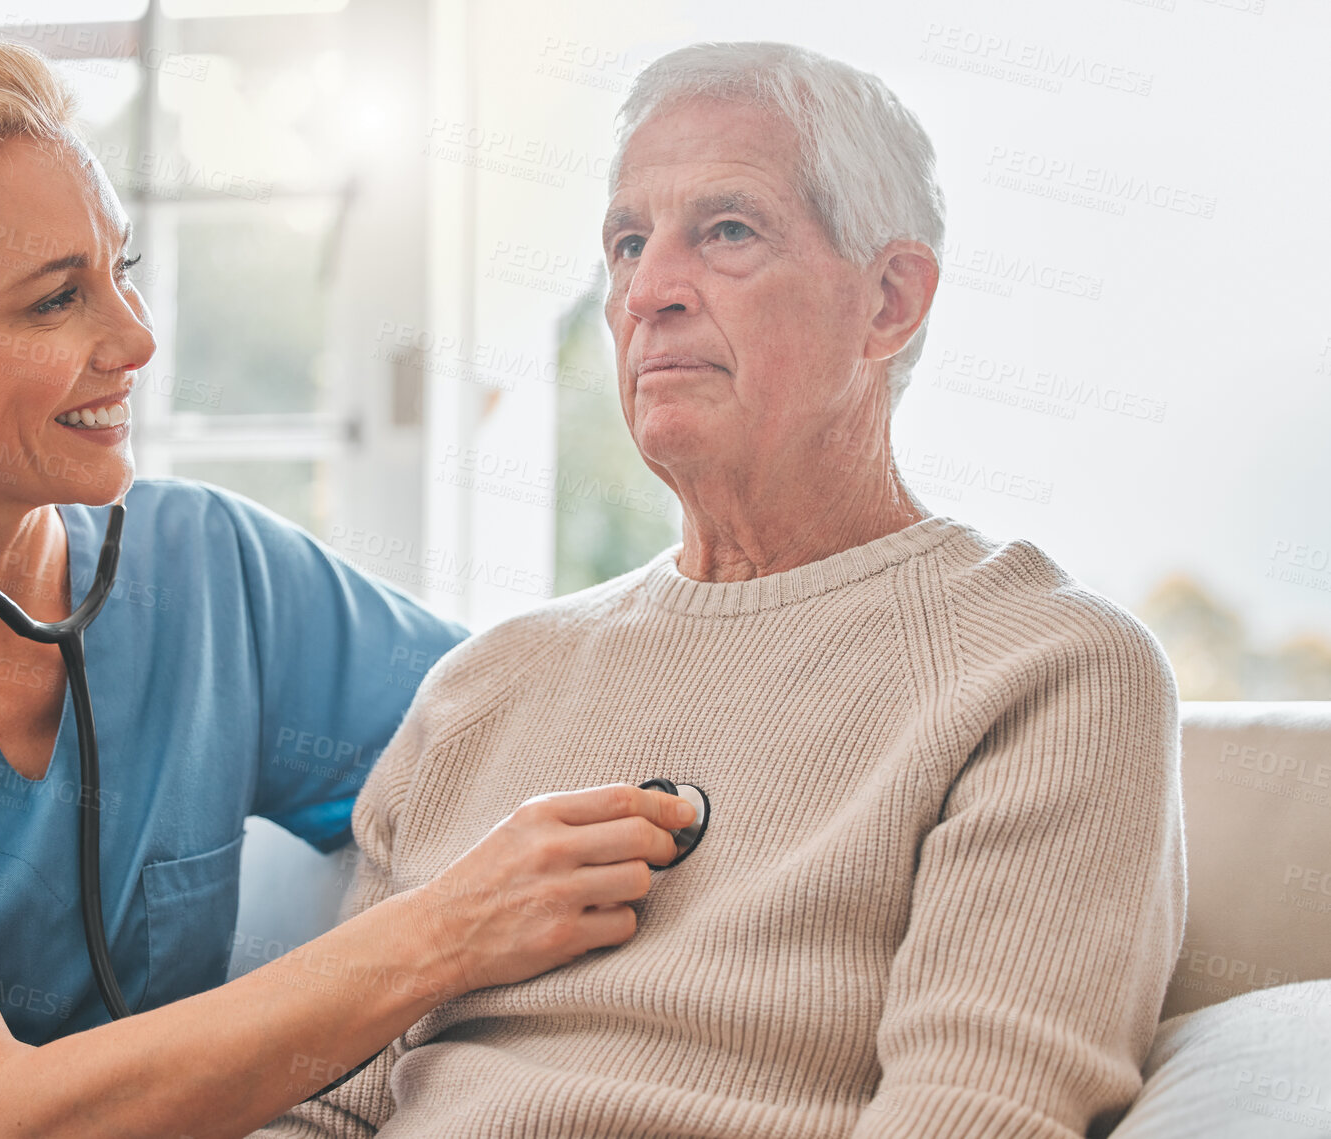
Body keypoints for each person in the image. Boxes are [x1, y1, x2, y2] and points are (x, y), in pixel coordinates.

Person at [0, 38, 698, 1139]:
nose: (134, 337)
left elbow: (528, 722)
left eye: (117, 268)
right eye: (53, 301)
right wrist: (443, 933)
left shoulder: (209, 570)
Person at [257, 41, 1185, 1139]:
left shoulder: (1049, 671)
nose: (647, 292)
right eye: (626, 243)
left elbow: (976, 1111)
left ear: (887, 301)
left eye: (726, 231)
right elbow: (320, 1110)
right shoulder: (483, 687)